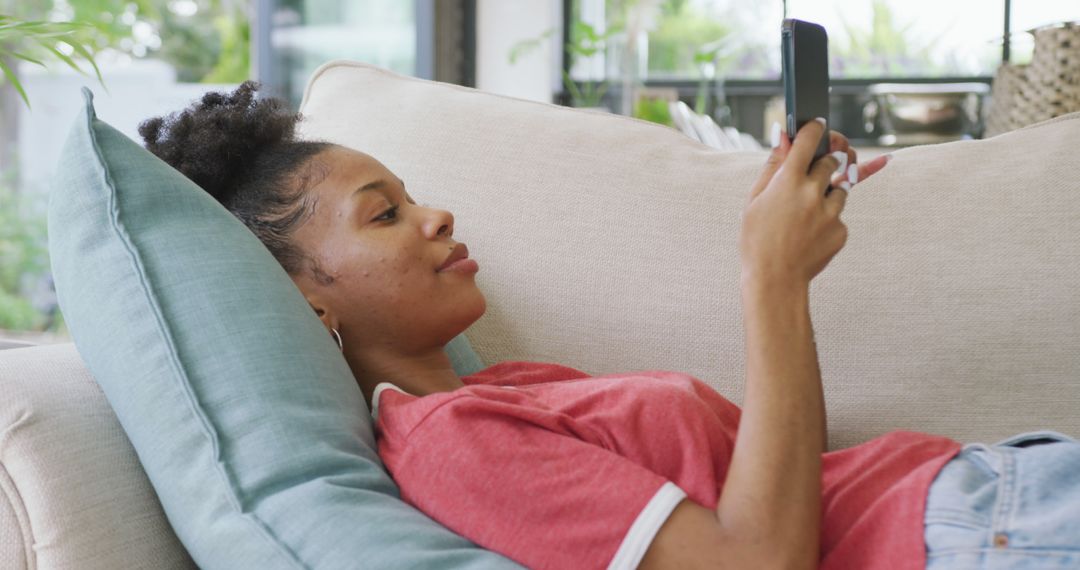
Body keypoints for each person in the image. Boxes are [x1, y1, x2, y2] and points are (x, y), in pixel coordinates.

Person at [139, 81, 1080, 570]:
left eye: (415, 197)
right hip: (967, 533)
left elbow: (768, 478)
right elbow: (756, 562)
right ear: (309, 299)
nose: (438, 218)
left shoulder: (507, 388)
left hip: (994, 491)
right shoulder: (450, 447)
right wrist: (772, 279)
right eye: (385, 214)